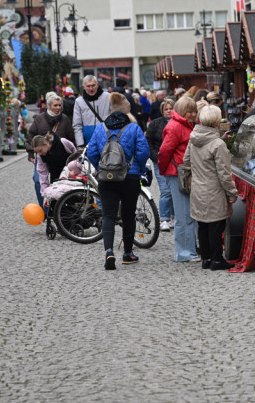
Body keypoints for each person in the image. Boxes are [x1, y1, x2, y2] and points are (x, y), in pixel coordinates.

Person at [86, 92, 150, 270]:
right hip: (130, 177)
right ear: (126, 110)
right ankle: (128, 253)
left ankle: (108, 251)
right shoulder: (134, 128)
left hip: (107, 178)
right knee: (129, 215)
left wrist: (101, 168)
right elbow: (144, 152)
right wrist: (137, 167)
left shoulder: (100, 129)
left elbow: (91, 153)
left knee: (108, 215)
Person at [184, 104, 238, 270]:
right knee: (216, 226)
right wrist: (232, 193)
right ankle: (216, 260)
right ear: (216, 122)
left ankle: (206, 258)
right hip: (214, 190)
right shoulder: (217, 144)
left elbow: (186, 161)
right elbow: (224, 173)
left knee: (203, 225)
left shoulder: (193, 138)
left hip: (198, 188)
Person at [158, 96, 200, 262]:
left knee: (189, 214)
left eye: (194, 111)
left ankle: (190, 249)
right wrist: (166, 172)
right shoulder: (175, 126)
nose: (193, 114)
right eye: (190, 111)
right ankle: (184, 253)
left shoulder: (185, 124)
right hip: (178, 174)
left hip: (183, 173)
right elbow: (163, 152)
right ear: (182, 111)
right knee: (183, 216)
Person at [28, 92, 74, 206]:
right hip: (42, 154)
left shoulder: (65, 119)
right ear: (48, 106)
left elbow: (71, 138)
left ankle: (61, 208)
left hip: (61, 155)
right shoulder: (39, 119)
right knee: (38, 180)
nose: (58, 108)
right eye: (55, 105)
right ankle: (44, 206)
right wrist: (30, 153)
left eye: (59, 105)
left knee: (61, 183)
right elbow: (30, 136)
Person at [146, 98, 176, 231]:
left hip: (175, 161)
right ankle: (164, 218)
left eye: (171, 108)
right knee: (165, 191)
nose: (169, 111)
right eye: (166, 109)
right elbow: (148, 141)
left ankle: (174, 217)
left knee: (175, 190)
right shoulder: (155, 124)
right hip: (159, 160)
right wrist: (154, 156)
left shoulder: (179, 123)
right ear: (162, 111)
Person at [32, 134, 77, 213]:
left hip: (70, 175)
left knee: (73, 200)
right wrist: (45, 195)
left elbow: (75, 154)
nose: (40, 153)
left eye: (40, 150)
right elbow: (43, 175)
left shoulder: (62, 142)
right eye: (37, 152)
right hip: (56, 178)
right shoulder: (41, 156)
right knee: (56, 205)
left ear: (45, 144)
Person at [72, 75, 110, 147]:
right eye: (88, 86)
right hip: (88, 142)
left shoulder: (108, 97)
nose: (91, 88)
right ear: (84, 87)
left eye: (93, 85)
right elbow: (77, 125)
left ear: (97, 85)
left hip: (107, 139)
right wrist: (80, 144)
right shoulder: (79, 101)